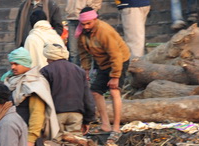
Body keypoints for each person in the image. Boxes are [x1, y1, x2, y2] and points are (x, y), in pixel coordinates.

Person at [77, 7, 131, 135]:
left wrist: (115, 76)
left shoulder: (104, 31)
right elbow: (83, 53)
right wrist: (86, 70)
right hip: (102, 62)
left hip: (120, 60)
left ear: (95, 20)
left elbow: (116, 55)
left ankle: (116, 126)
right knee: (95, 92)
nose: (85, 26)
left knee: (114, 90)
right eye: (83, 24)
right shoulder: (82, 33)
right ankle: (105, 124)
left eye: (88, 23)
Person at [1, 47, 59, 146]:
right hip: (12, 135)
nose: (12, 67)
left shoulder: (34, 84)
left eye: (16, 64)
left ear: (25, 63)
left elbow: (37, 114)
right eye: (11, 64)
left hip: (26, 138)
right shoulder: (11, 80)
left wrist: (30, 140)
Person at [40, 43, 96, 135]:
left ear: (50, 57)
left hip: (55, 115)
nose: (46, 60)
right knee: (73, 144)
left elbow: (42, 97)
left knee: (55, 145)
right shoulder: (79, 71)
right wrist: (87, 120)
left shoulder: (45, 71)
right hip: (76, 115)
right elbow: (87, 97)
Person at [64, 0, 101, 65]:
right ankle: (75, 72)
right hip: (72, 18)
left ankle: (91, 71)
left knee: (90, 48)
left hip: (87, 18)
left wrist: (90, 12)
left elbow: (97, 2)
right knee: (73, 51)